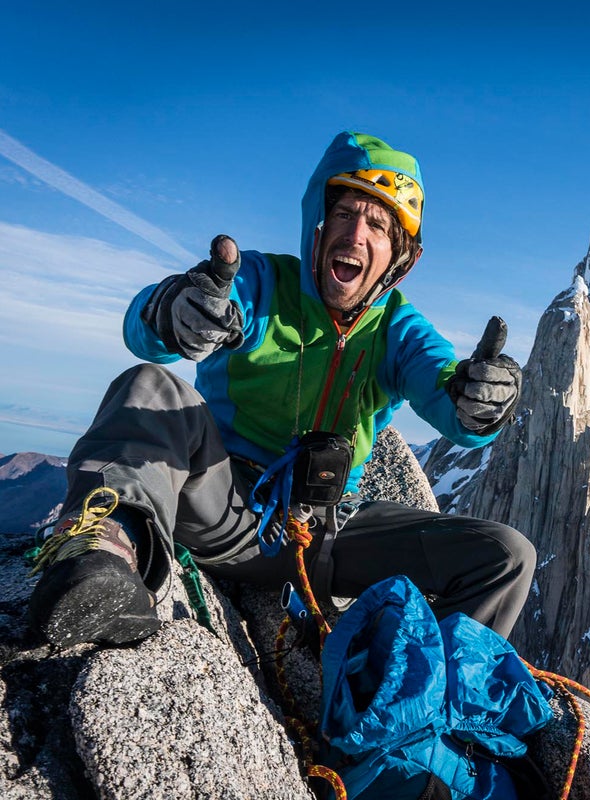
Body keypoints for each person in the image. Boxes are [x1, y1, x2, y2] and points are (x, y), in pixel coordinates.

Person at [27, 131, 535, 649]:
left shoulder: (399, 332)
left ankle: (424, 693)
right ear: (316, 224)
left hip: (326, 533)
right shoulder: (258, 281)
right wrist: (172, 312)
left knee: (506, 555)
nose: (357, 233)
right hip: (222, 506)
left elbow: (448, 396)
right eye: (344, 213)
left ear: (401, 256)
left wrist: (477, 401)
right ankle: (96, 564)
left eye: (379, 224)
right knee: (149, 387)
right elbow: (145, 332)